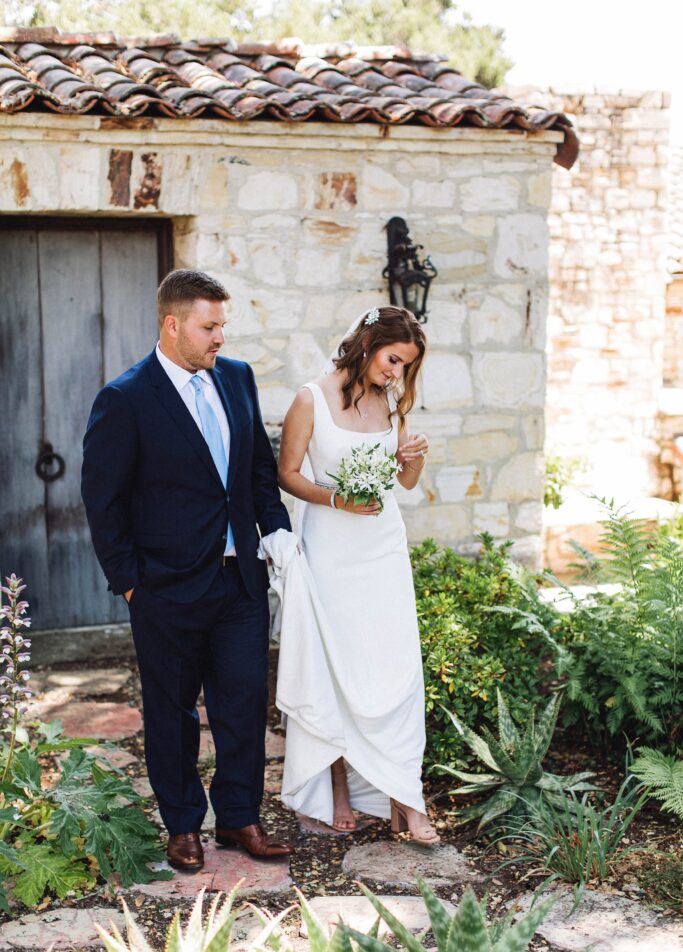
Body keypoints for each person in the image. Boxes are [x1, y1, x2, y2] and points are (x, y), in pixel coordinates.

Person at [81, 269, 294, 872]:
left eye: (223, 325)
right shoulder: (125, 398)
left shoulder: (238, 378)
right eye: (209, 326)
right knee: (172, 712)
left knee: (245, 704)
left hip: (240, 582)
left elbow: (258, 470)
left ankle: (238, 818)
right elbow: (103, 499)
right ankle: (182, 826)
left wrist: (274, 528)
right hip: (165, 588)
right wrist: (130, 582)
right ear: (172, 325)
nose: (220, 337)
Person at [276, 305, 438, 845]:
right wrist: (336, 499)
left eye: (405, 367)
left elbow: (406, 483)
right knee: (337, 668)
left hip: (382, 550)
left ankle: (403, 796)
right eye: (393, 360)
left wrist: (413, 455)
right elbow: (288, 474)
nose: (396, 374)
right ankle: (339, 790)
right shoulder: (311, 398)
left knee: (396, 669)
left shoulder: (390, 404)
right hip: (330, 549)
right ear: (367, 343)